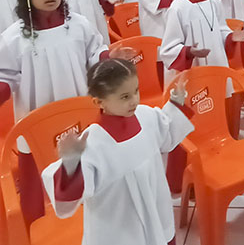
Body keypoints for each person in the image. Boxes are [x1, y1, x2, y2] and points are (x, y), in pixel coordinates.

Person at [0, 0, 122, 224]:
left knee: (85, 161)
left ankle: (90, 216)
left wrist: (107, 57)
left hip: (78, 107)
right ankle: (38, 224)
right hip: (37, 113)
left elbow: (95, 52)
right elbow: (4, 74)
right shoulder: (15, 36)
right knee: (37, 166)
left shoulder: (78, 25)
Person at [41, 59, 193, 245]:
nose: (134, 100)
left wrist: (176, 102)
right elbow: (72, 192)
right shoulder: (93, 142)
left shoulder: (145, 116)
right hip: (119, 228)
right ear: (99, 102)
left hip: (156, 207)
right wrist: (71, 161)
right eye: (124, 97)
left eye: (136, 91)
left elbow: (167, 130)